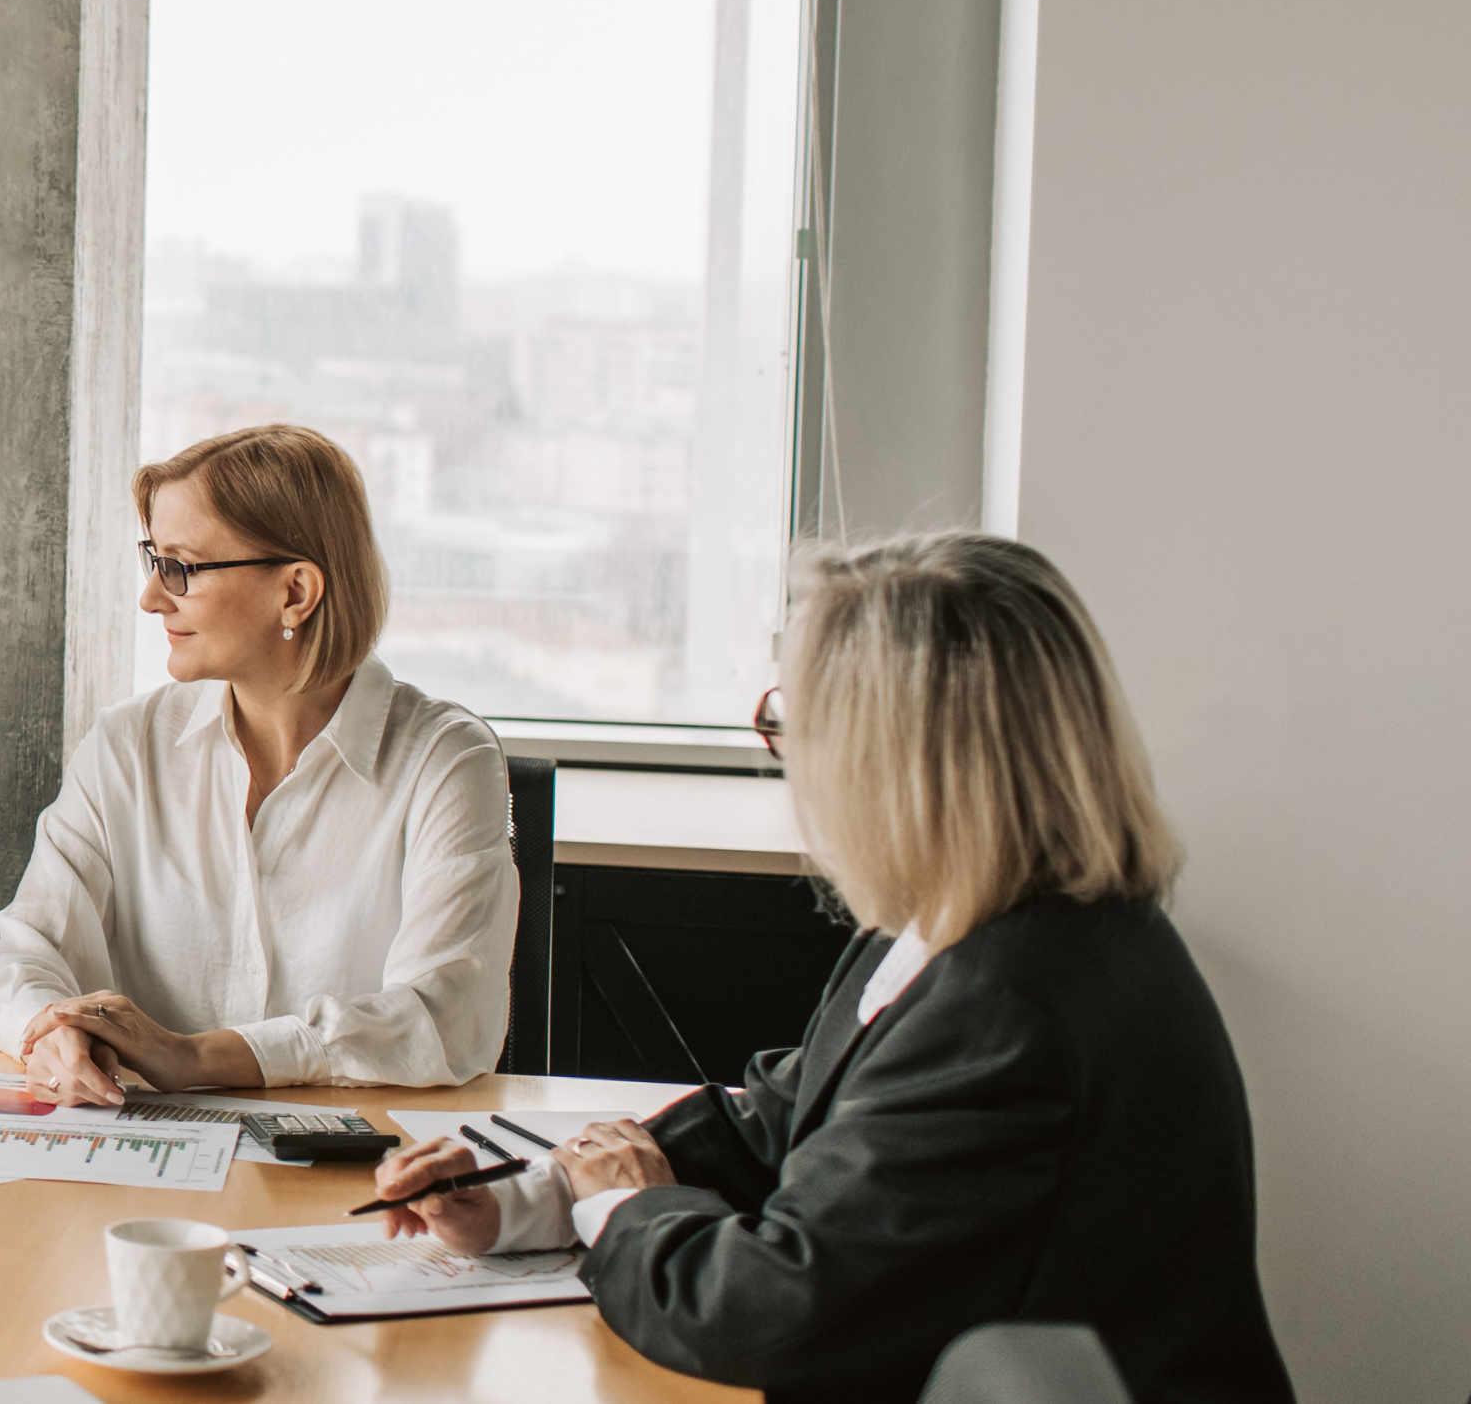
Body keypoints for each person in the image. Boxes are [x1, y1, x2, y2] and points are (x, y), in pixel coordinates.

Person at [373, 533, 1292, 1404]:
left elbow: (771, 1315)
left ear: (892, 764)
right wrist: (535, 1196)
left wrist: (620, 1208)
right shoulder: (954, 926)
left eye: (788, 721)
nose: (785, 762)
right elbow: (779, 1127)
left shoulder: (1013, 1009)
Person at [0, 424, 514, 1099]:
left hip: (360, 1178)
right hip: (140, 1169)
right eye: (153, 561)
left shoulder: (447, 762)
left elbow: (446, 1019)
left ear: (296, 592)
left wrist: (194, 1057)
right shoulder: (125, 745)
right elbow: (16, 965)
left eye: (182, 568)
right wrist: (53, 1030)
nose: (152, 597)